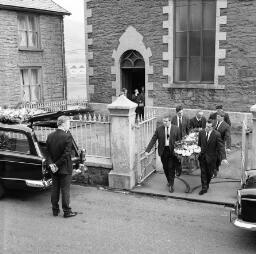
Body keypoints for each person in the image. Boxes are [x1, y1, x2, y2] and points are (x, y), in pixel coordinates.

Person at [46, 115, 77, 218]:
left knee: (55, 188)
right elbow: (66, 154)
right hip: (64, 168)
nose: (69, 126)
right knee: (65, 190)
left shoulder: (50, 136)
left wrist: (52, 165)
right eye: (68, 123)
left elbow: (48, 153)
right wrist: (56, 164)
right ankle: (67, 212)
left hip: (54, 169)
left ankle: (55, 210)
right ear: (63, 124)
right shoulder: (67, 136)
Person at [145, 115, 180, 193]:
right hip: (163, 151)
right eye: (163, 121)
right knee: (165, 168)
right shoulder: (159, 129)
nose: (164, 123)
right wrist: (147, 150)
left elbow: (179, 141)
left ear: (170, 121)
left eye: (166, 121)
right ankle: (169, 180)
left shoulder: (176, 129)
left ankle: (171, 184)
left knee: (171, 168)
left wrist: (179, 151)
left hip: (172, 151)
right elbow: (153, 140)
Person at [197, 119, 228, 195]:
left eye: (209, 127)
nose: (207, 128)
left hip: (212, 158)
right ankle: (204, 187)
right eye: (206, 126)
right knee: (203, 172)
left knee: (210, 173)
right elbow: (199, 144)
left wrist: (224, 158)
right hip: (203, 157)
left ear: (213, 127)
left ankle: (207, 183)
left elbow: (221, 147)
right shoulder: (201, 132)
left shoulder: (217, 134)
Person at [171, 105, 190, 176]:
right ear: (176, 113)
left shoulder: (186, 118)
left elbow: (188, 129)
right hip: (175, 139)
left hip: (184, 139)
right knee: (176, 155)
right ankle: (178, 170)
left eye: (182, 112)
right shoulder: (173, 119)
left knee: (184, 153)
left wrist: (187, 137)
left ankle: (184, 167)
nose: (181, 114)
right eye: (179, 113)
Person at [214, 112, 231, 177]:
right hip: (211, 143)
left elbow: (228, 137)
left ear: (222, 117)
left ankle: (216, 168)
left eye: (218, 117)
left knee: (218, 158)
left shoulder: (226, 126)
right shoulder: (214, 122)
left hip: (220, 144)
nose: (217, 118)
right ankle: (213, 171)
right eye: (217, 117)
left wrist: (228, 147)